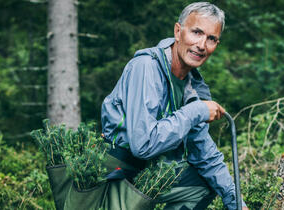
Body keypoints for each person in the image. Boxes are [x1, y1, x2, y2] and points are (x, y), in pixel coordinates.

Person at [101, 2, 248, 209]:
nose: (202, 45)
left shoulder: (193, 87)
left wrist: (236, 203)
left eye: (211, 39)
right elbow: (142, 145)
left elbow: (204, 154)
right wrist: (196, 111)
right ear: (178, 31)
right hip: (115, 171)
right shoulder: (146, 67)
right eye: (197, 32)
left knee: (203, 185)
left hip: (150, 172)